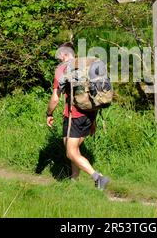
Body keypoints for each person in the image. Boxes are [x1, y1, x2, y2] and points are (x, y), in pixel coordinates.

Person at [46, 42, 110, 190]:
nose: (58, 60)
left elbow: (55, 98)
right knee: (73, 149)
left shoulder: (63, 69)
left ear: (64, 54)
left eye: (59, 57)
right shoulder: (85, 65)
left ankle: (98, 178)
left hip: (73, 116)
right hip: (90, 113)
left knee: (70, 152)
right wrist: (93, 122)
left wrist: (49, 113)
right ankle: (74, 181)